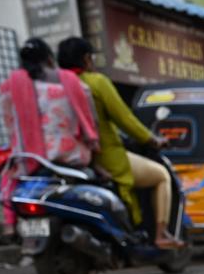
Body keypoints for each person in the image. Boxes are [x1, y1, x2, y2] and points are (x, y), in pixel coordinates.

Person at [57, 37, 181, 249]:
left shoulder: (55, 87)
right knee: (161, 176)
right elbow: (124, 119)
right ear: (87, 59)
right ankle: (161, 234)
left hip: (68, 157)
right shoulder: (95, 82)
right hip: (106, 155)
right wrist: (153, 140)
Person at [0, 38, 99, 238]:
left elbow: (10, 122)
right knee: (99, 177)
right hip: (68, 155)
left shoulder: (10, 86)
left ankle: (9, 225)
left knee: (8, 176)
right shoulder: (70, 81)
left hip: (27, 158)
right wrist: (93, 142)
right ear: (49, 58)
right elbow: (88, 118)